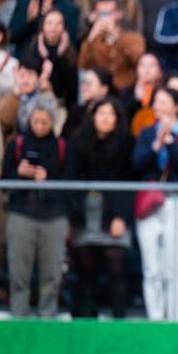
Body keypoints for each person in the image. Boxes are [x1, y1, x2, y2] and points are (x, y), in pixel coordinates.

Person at [132, 87, 178, 320]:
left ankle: (177, 317)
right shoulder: (146, 132)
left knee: (176, 266)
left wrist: (170, 142)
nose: (158, 107)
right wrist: (156, 146)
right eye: (156, 102)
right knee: (152, 267)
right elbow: (138, 164)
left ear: (176, 106)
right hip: (151, 203)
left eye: (164, 102)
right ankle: (155, 316)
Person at [0, 90, 69, 317]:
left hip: (53, 216)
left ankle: (47, 316)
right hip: (22, 213)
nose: (39, 126)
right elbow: (4, 184)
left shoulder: (61, 148)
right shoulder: (17, 145)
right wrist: (20, 174)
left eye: (45, 121)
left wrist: (47, 179)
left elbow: (71, 183)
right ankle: (19, 316)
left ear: (52, 121)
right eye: (35, 121)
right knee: (19, 272)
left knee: (51, 273)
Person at [67, 97, 134, 317]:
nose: (105, 118)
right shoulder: (78, 141)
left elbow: (129, 180)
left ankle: (118, 317)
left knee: (116, 263)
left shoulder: (127, 144)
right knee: (85, 267)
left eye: (110, 114)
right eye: (101, 113)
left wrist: (121, 216)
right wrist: (72, 215)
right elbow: (71, 179)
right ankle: (86, 316)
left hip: (114, 208)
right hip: (84, 209)